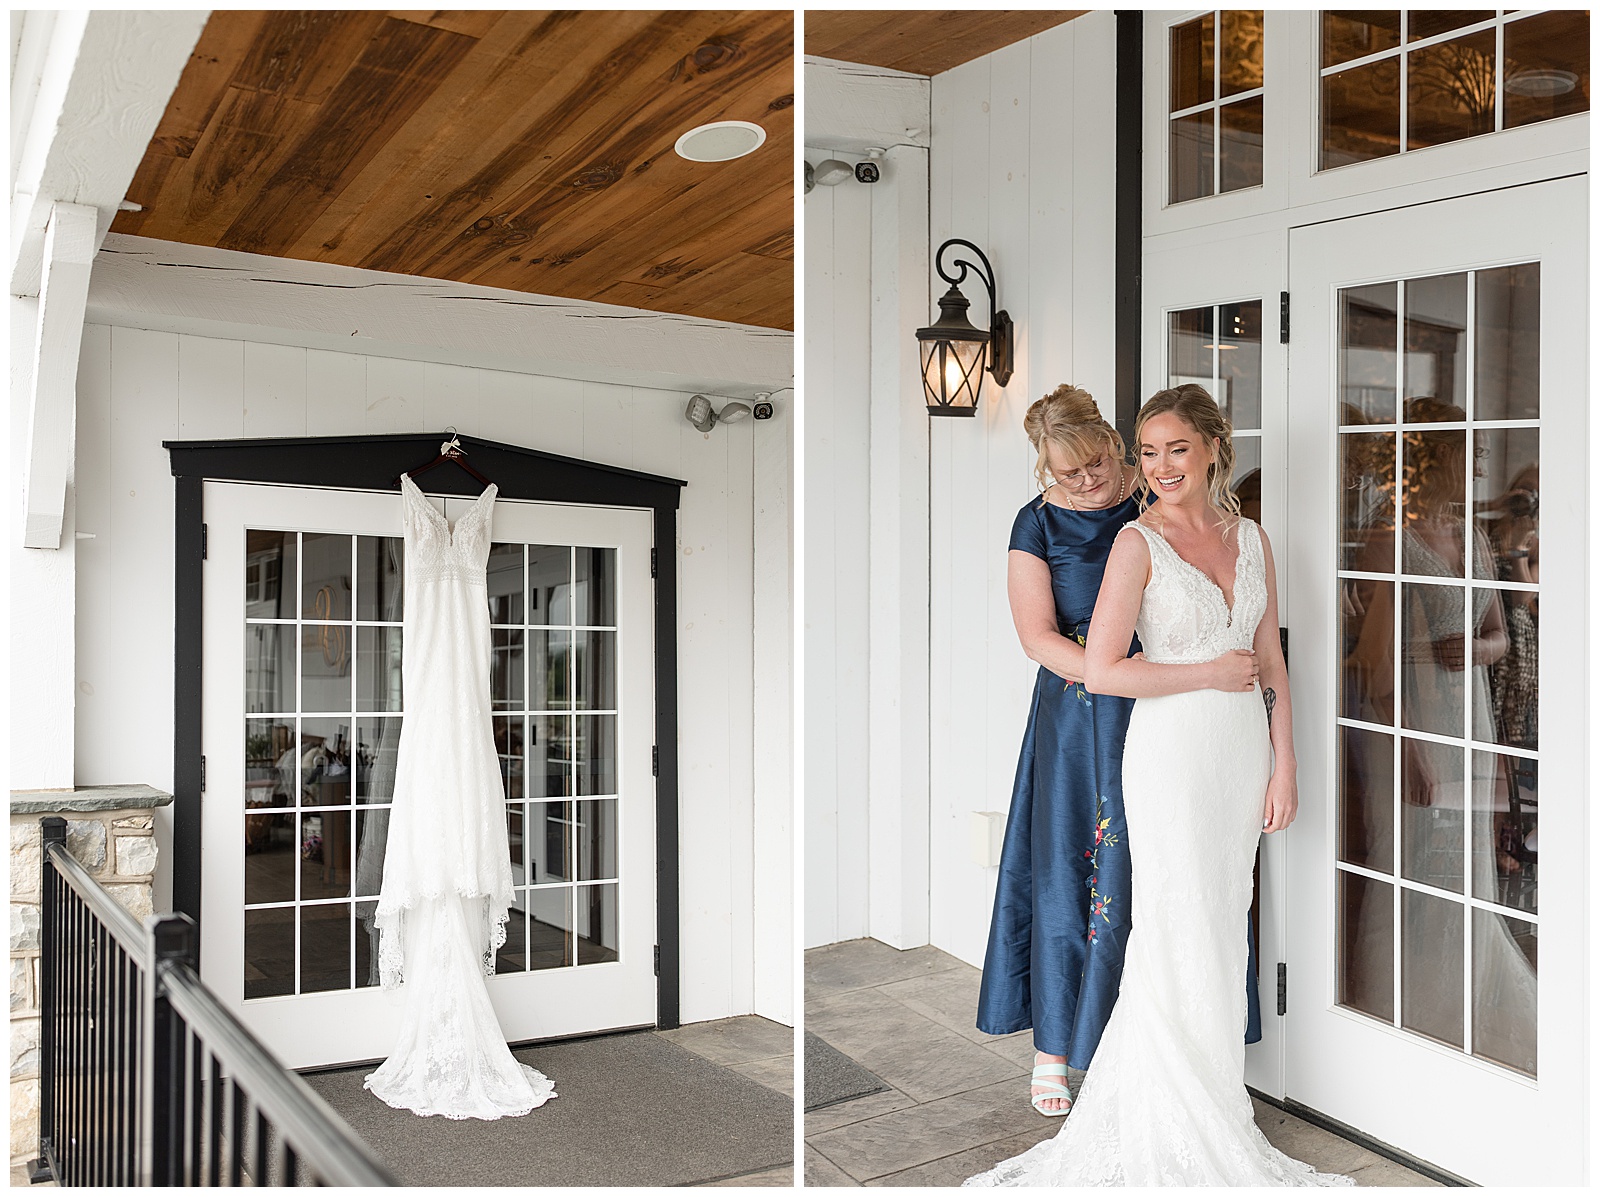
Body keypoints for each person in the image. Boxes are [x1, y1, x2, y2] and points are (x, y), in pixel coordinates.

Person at [967, 384, 1350, 1187]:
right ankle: (1110, 1073)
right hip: (1140, 735)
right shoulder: (1118, 537)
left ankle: (1212, 1085)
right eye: (1150, 451)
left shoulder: (1247, 535)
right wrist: (1204, 674)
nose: (1152, 466)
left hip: (1235, 749)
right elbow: (1081, 656)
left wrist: (1286, 762)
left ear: (1212, 445)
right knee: (1140, 905)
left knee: (1216, 917)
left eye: (1172, 449)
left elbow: (1271, 659)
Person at [974, 384, 1259, 1120]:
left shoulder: (1156, 499)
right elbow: (1036, 636)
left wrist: (1166, 668)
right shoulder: (1035, 525)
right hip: (1081, 716)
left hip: (1179, 713)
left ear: (1113, 443)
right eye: (1072, 473)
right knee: (1076, 870)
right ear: (1046, 471)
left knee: (1162, 871)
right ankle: (1056, 1049)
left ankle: (1168, 1038)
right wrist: (1115, 673)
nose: (1092, 478)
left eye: (1101, 459)